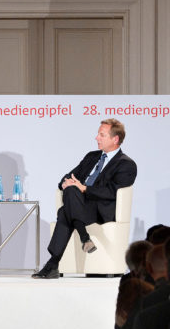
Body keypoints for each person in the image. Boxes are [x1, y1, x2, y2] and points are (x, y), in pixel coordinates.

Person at [32, 118, 137, 279]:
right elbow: (67, 177)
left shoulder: (126, 164)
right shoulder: (91, 156)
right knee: (70, 191)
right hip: (79, 203)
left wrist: (85, 188)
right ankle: (84, 238)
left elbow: (112, 192)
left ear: (115, 139)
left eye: (102, 135)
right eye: (98, 134)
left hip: (100, 210)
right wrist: (66, 183)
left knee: (65, 212)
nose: (96, 138)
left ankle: (53, 263)